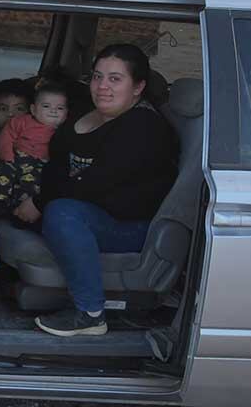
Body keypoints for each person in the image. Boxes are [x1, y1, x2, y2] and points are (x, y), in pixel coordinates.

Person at [12, 44, 177, 337]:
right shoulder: (86, 112)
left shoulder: (144, 127)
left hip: (129, 225)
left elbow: (92, 184)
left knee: (62, 213)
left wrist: (38, 202)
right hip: (87, 208)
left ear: (138, 86)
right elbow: (59, 166)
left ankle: (90, 314)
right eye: (98, 77)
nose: (102, 87)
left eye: (115, 79)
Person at [0, 81, 69, 218]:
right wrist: (5, 155)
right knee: (1, 173)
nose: (11, 114)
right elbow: (8, 136)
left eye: (19, 109)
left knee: (31, 186)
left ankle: (19, 212)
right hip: (14, 158)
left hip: (38, 165)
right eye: (3, 108)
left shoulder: (62, 132)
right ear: (34, 109)